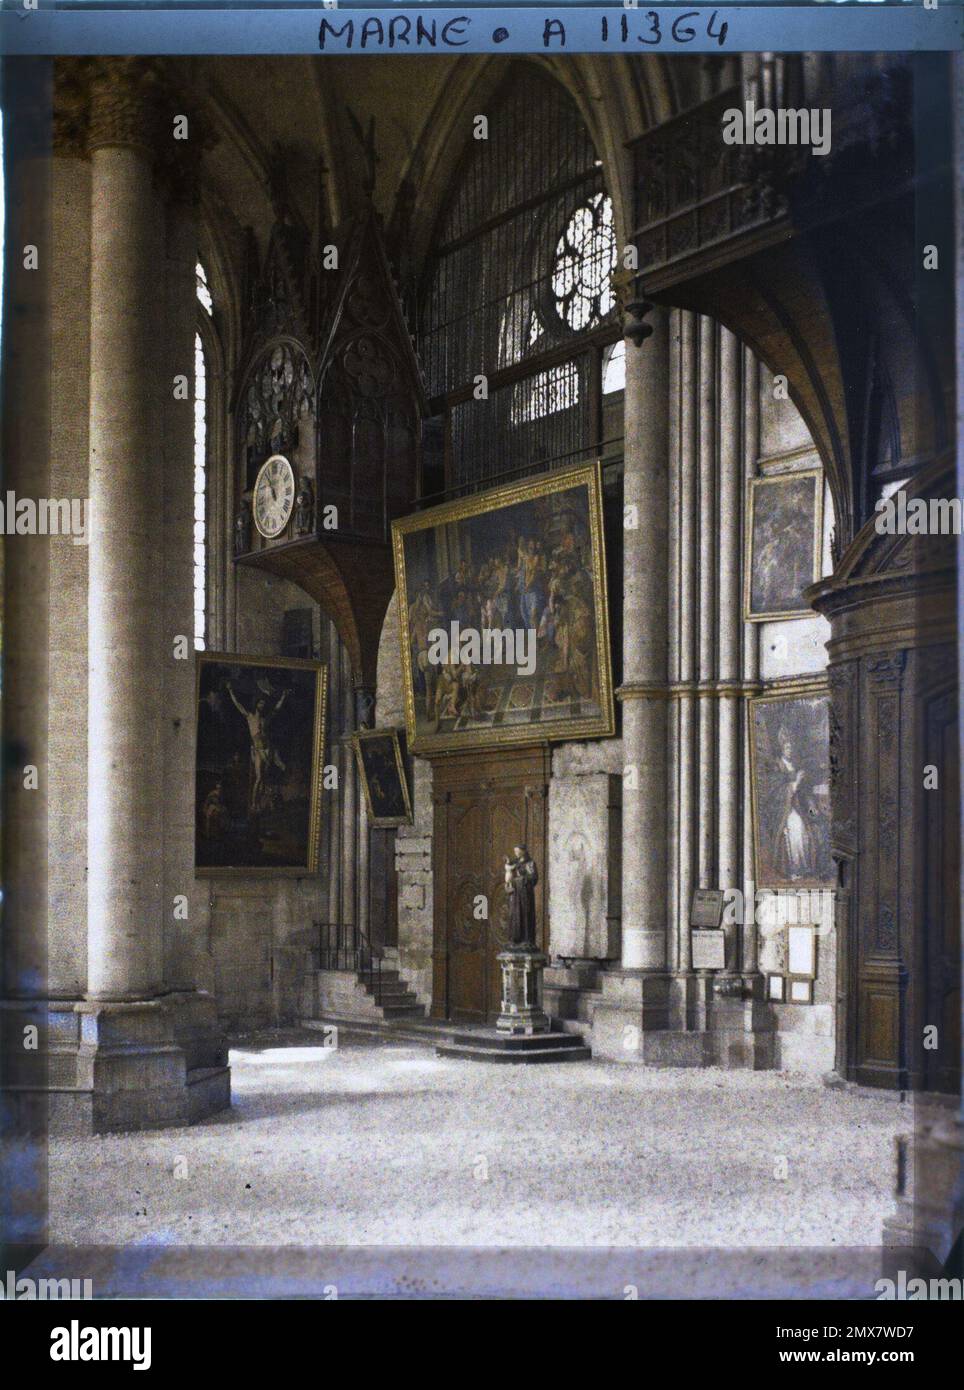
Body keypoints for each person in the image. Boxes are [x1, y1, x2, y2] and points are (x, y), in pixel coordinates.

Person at [503, 844, 538, 949]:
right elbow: (509, 876)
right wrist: (508, 884)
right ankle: (515, 939)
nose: (516, 853)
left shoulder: (530, 863)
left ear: (523, 851)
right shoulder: (515, 863)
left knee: (525, 915)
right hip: (515, 895)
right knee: (514, 915)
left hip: (525, 895)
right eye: (515, 851)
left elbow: (533, 878)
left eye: (518, 851)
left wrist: (520, 880)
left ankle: (527, 940)